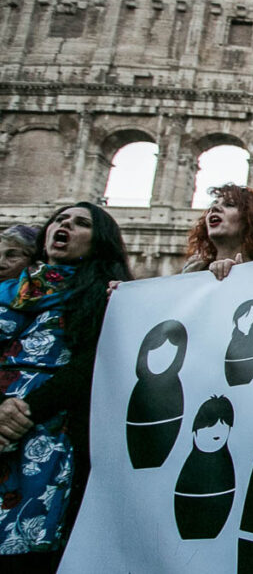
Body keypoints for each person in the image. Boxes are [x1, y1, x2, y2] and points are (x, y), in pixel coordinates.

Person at [0, 203, 132, 571]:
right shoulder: (9, 290)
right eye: (60, 219)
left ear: (99, 240)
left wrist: (22, 411)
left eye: (81, 224)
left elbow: (92, 365)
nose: (66, 226)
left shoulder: (108, 295)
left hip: (52, 430)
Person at [182, 184, 253, 280]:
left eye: (229, 204)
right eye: (214, 204)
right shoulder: (190, 272)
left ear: (250, 219)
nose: (214, 208)